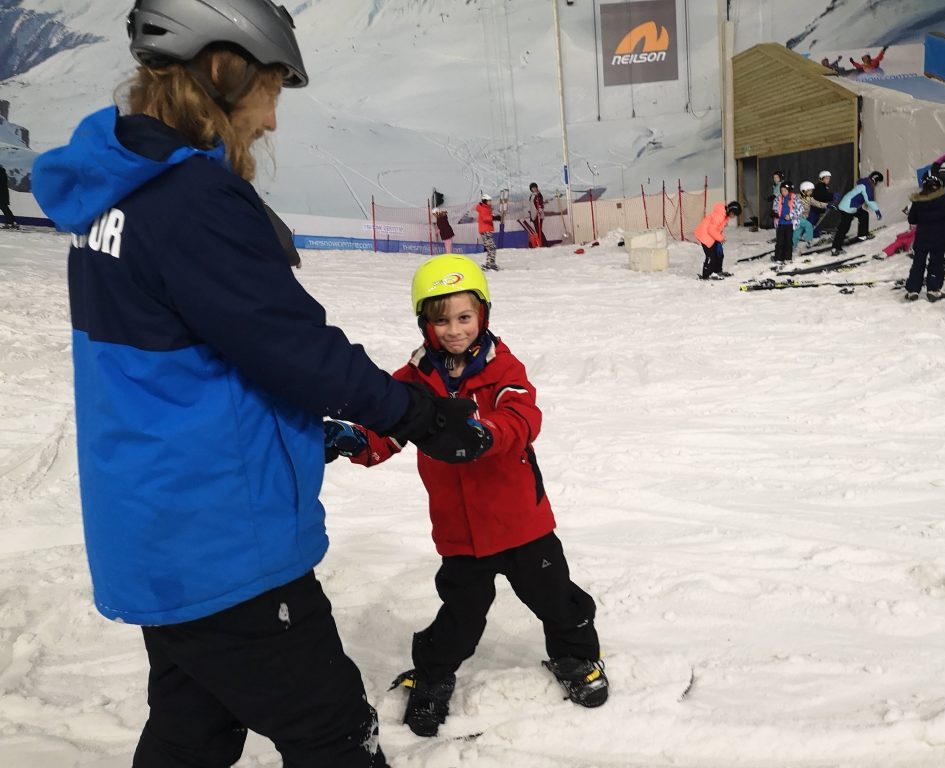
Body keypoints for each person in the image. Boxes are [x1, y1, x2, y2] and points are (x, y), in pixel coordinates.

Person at [30, 2, 492, 766]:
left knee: (193, 731)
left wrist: (304, 429)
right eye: (271, 90)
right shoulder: (189, 200)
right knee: (335, 736)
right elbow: (290, 348)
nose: (272, 120)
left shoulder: (113, 193)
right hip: (222, 541)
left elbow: (189, 360)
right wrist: (419, 413)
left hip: (155, 530)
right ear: (222, 68)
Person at [327, 255, 608, 737]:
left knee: (555, 597)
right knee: (460, 614)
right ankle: (433, 674)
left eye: (464, 317)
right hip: (460, 532)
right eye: (441, 320)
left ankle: (576, 656)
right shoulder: (412, 381)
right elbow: (388, 431)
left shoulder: (503, 368)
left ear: (483, 314)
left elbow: (522, 417)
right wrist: (355, 439)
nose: (455, 330)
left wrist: (486, 433)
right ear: (424, 322)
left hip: (520, 522)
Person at [903, 174, 945, 302]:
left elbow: (912, 219)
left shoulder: (918, 200)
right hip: (939, 236)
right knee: (936, 263)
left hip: (922, 236)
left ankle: (913, 290)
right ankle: (933, 289)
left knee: (918, 263)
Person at [831, 171, 884, 256]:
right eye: (877, 182)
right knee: (844, 228)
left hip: (851, 206)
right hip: (848, 208)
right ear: (874, 180)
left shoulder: (865, 182)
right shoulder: (867, 186)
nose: (877, 184)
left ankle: (862, 234)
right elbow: (869, 201)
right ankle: (835, 248)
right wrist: (877, 211)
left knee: (864, 215)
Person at [695, 200, 741, 279]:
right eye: (734, 214)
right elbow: (711, 230)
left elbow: (717, 229)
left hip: (712, 236)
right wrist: (720, 238)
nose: (734, 217)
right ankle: (706, 275)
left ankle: (717, 271)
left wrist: (719, 237)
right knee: (711, 256)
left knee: (719, 254)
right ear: (730, 211)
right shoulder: (719, 215)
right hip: (705, 236)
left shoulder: (724, 215)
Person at [772, 181, 802, 264]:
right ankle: (778, 257)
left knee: (788, 241)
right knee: (780, 241)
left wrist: (790, 215)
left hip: (790, 224)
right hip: (780, 224)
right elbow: (775, 208)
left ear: (789, 190)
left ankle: (788, 257)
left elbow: (800, 209)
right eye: (782, 190)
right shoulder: (778, 198)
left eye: (785, 190)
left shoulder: (795, 198)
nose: (783, 192)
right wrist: (775, 214)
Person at [476, 193, 500, 270]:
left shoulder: (485, 208)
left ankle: (491, 263)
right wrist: (494, 218)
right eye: (489, 201)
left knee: (491, 247)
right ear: (485, 201)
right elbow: (485, 218)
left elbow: (488, 216)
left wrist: (495, 217)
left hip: (487, 230)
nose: (490, 202)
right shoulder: (483, 208)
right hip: (485, 230)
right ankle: (489, 264)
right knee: (491, 247)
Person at [793, 181, 820, 250]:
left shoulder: (809, 198)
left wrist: (827, 205)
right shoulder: (796, 197)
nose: (811, 192)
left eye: (811, 191)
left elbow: (817, 203)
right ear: (804, 190)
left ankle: (792, 247)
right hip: (796, 218)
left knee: (797, 233)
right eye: (809, 191)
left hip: (803, 218)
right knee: (809, 225)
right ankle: (809, 241)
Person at [528, 182, 548, 246]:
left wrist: (539, 210)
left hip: (538, 215)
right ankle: (542, 243)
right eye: (532, 188)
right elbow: (531, 205)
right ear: (531, 189)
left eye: (535, 187)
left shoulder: (538, 195)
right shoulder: (532, 196)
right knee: (537, 231)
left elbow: (540, 204)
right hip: (533, 215)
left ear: (537, 187)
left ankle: (544, 244)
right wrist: (530, 213)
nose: (534, 189)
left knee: (539, 230)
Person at [0, 164, 17, 229]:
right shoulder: (2, 172)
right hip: (3, 194)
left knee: (5, 208)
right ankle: (12, 222)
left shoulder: (1, 172)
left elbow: (1, 184)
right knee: (5, 208)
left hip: (2, 194)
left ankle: (11, 222)